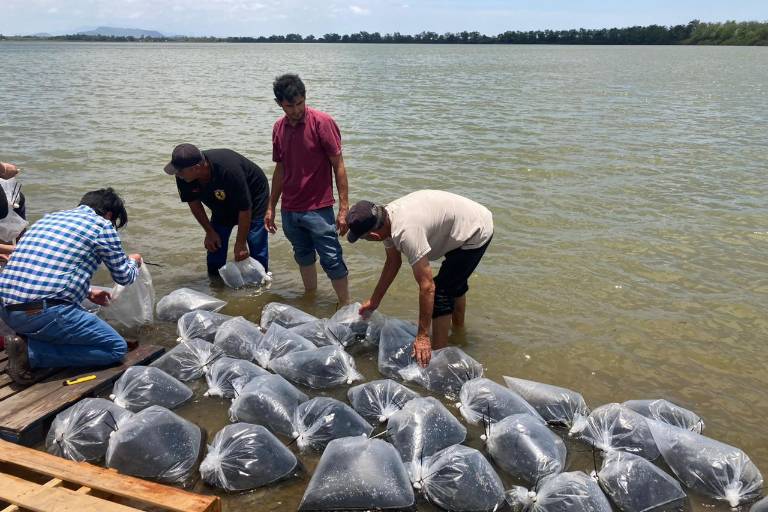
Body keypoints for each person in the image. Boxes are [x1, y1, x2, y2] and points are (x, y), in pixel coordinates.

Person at [0, 188, 142, 385]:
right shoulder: (102, 226)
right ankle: (31, 354)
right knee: (116, 348)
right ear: (109, 215)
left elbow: (46, 269)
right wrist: (134, 261)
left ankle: (29, 340)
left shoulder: (49, 219)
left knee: (79, 315)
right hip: (41, 314)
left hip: (8, 313)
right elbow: (124, 276)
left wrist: (88, 292)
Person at [347, 190, 493, 367]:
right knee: (455, 284)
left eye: (364, 238)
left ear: (374, 236)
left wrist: (422, 336)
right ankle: (458, 333)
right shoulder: (385, 218)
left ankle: (438, 360)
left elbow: (427, 287)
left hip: (476, 230)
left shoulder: (406, 232)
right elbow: (393, 262)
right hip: (461, 225)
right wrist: (374, 301)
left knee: (441, 293)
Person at [266, 73, 350, 304]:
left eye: (300, 103)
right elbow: (280, 169)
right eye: (289, 106)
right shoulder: (278, 128)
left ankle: (345, 304)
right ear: (279, 103)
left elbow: (338, 165)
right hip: (290, 209)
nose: (296, 110)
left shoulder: (322, 122)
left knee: (332, 258)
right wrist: (271, 207)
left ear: (305, 97)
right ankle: (310, 298)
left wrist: (343, 209)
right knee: (302, 256)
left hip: (319, 208)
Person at [164, 144, 270, 276]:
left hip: (254, 194)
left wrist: (241, 243)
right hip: (221, 197)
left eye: (180, 171)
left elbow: (245, 208)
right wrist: (209, 231)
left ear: (196, 168)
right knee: (215, 244)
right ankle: (215, 282)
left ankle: (261, 278)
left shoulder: (229, 170)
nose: (177, 174)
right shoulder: (183, 176)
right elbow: (193, 202)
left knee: (255, 239)